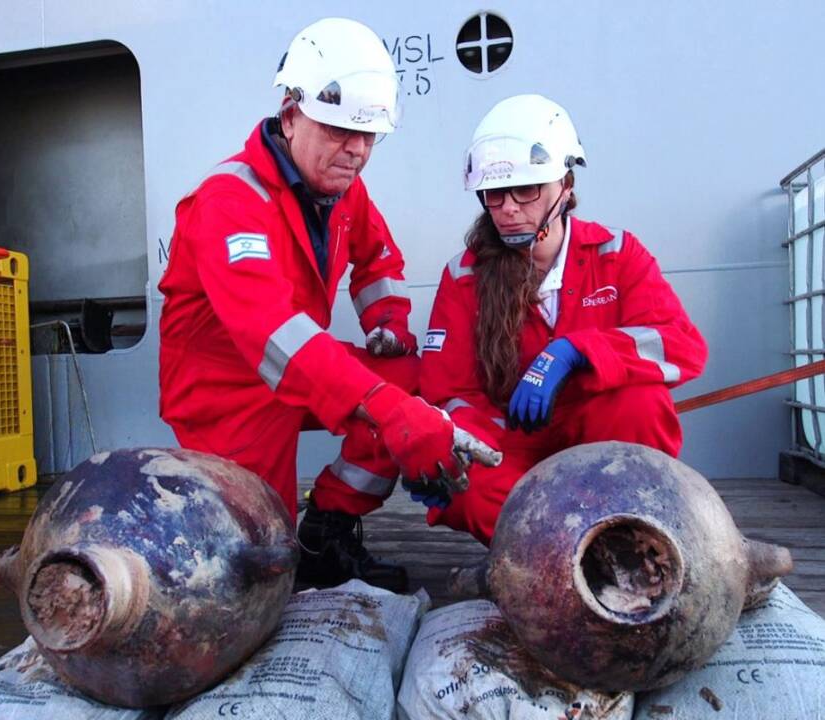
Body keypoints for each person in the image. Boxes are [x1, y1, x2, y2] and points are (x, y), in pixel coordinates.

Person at [157, 17, 495, 591]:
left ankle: (328, 529)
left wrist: (387, 323)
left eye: (369, 137)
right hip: (227, 394)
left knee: (410, 377)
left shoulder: (341, 189)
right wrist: (389, 411)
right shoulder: (227, 203)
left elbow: (379, 259)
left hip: (300, 368)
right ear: (291, 115)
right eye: (340, 131)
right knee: (258, 564)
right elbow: (274, 337)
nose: (357, 151)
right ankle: (285, 546)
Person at [418, 94, 708, 545]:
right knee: (468, 487)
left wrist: (575, 352)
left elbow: (682, 347)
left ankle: (621, 534)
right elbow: (448, 392)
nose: (509, 206)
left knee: (642, 403)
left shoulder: (616, 254)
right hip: (512, 445)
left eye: (527, 189)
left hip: (598, 439)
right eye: (495, 193)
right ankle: (577, 556)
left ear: (566, 185)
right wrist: (472, 445)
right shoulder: (464, 275)